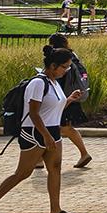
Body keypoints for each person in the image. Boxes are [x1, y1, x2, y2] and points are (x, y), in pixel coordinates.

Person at [0, 48, 82, 213]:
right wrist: (46, 136)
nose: (66, 71)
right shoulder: (38, 83)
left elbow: (54, 108)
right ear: (53, 65)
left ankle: (55, 210)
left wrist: (69, 99)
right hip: (35, 131)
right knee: (23, 173)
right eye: (65, 67)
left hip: (53, 129)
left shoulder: (54, 82)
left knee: (55, 168)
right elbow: (34, 113)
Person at [45, 34, 93, 169]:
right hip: (72, 95)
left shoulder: (59, 57)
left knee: (62, 128)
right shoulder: (73, 55)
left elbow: (58, 77)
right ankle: (39, 159)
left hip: (64, 97)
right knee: (60, 128)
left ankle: (84, 153)